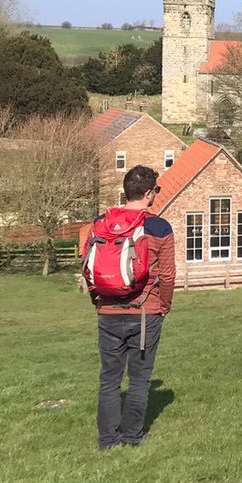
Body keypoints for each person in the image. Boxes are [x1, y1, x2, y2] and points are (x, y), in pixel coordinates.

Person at [82, 165, 175, 450]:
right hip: (145, 312)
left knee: (109, 377)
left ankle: (107, 439)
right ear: (148, 194)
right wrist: (164, 306)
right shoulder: (160, 227)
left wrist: (98, 301)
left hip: (107, 311)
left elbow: (89, 268)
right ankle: (132, 435)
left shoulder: (100, 224)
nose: (156, 196)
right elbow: (169, 275)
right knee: (139, 378)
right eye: (155, 191)